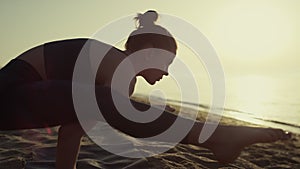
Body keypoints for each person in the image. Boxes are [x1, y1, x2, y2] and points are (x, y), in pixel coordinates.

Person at [0, 10, 291, 169]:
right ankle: (215, 137)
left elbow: (72, 131)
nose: (166, 73)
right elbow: (106, 112)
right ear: (149, 51)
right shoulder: (116, 65)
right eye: (167, 63)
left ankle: (214, 136)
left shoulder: (109, 73)